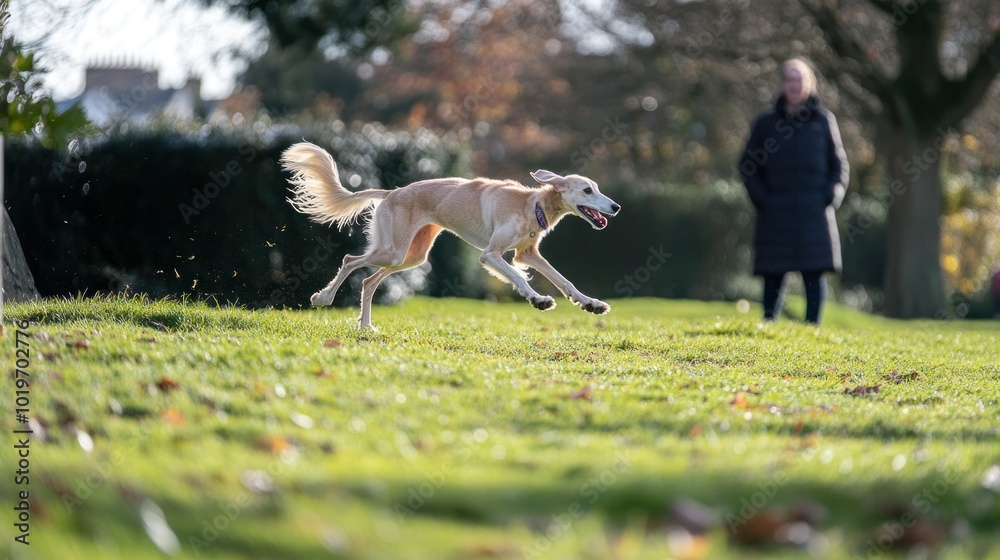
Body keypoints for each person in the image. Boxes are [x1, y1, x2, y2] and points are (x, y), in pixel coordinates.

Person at [739, 58, 849, 324]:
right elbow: (747, 165)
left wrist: (830, 196)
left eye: (800, 79)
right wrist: (762, 198)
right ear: (782, 84)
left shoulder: (823, 121)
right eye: (790, 79)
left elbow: (840, 165)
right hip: (775, 211)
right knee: (773, 272)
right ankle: (768, 325)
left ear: (809, 83)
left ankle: (813, 329)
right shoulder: (766, 123)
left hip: (814, 212)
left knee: (814, 273)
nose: (795, 85)